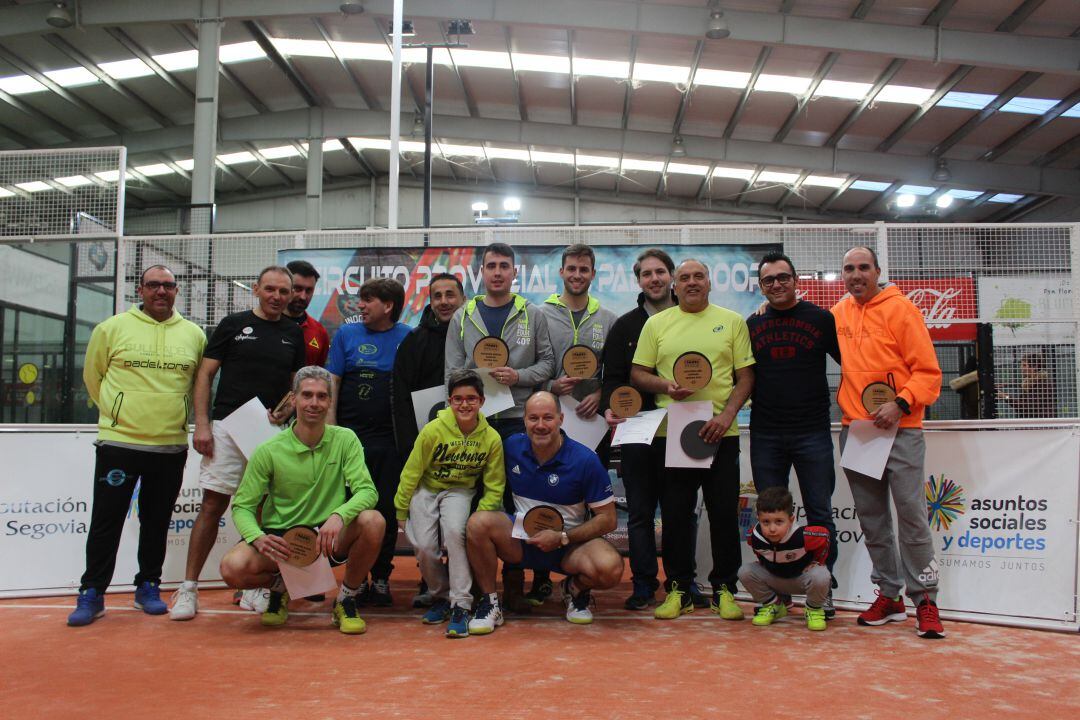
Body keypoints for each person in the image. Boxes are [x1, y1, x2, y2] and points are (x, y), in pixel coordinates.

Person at [68, 266, 206, 627]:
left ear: (177, 291)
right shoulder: (111, 329)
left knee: (157, 521)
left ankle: (148, 585)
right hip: (120, 444)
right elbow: (92, 377)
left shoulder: (194, 335)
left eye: (168, 285)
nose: (161, 291)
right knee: (106, 521)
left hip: (169, 446)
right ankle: (92, 592)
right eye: (153, 285)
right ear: (140, 289)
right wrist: (119, 415)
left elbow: (198, 384)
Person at [171, 266, 305, 621]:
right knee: (213, 505)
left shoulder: (294, 333)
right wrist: (202, 425)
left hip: (269, 434)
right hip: (227, 428)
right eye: (270, 289)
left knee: (264, 511)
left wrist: (284, 413)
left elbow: (295, 388)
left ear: (291, 295)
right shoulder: (232, 325)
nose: (277, 297)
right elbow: (205, 375)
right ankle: (188, 589)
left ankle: (254, 587)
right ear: (257, 290)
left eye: (283, 292)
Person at [631, 258, 755, 621]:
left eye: (698, 276)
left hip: (721, 433)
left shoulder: (732, 322)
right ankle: (679, 589)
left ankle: (724, 589)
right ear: (675, 285)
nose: (691, 282)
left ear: (709, 282)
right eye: (684, 278)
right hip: (675, 433)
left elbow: (745, 377)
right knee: (675, 515)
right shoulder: (656, 324)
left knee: (723, 516)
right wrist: (665, 386)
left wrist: (726, 416)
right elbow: (639, 374)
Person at [219, 367, 385, 634]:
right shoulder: (268, 450)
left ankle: (346, 600)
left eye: (321, 396)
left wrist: (339, 515)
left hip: (328, 539)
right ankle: (279, 587)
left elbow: (368, 492)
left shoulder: (346, 439)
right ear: (293, 399)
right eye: (307, 395)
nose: (314, 403)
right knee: (232, 568)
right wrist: (257, 537)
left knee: (373, 521)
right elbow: (242, 506)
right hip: (283, 544)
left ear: (330, 401)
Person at [833, 246, 945, 639]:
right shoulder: (839, 314)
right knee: (873, 520)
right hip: (858, 431)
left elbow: (929, 373)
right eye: (849, 269)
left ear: (878, 271)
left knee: (912, 515)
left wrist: (900, 404)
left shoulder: (903, 310)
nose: (856, 274)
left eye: (863, 267)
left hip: (902, 429)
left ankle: (926, 601)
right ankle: (891, 595)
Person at [444, 242, 555, 612]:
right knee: (474, 502)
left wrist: (517, 375)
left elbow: (548, 367)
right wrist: (475, 384)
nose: (496, 272)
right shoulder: (464, 314)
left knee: (513, 500)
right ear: (482, 272)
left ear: (514, 272)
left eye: (503, 266)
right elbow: (451, 372)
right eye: (490, 265)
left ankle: (516, 581)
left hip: (516, 421)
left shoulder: (533, 314)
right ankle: (478, 585)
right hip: (473, 425)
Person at [464, 392, 623, 634]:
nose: (540, 425)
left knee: (610, 567)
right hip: (520, 541)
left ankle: (574, 589)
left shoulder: (586, 460)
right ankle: (490, 603)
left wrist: (562, 537)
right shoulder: (510, 447)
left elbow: (608, 519)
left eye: (547, 418)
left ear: (561, 419)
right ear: (524, 421)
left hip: (568, 546)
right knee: (477, 523)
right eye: (533, 418)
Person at [746, 250, 841, 618]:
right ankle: (776, 595)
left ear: (796, 280)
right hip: (766, 433)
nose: (776, 284)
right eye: (769, 280)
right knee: (770, 515)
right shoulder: (751, 324)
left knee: (820, 514)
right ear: (761, 286)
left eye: (783, 277)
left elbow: (852, 364)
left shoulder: (821, 319)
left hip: (812, 431)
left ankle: (824, 590)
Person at [600, 248, 687, 610]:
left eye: (660, 272)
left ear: (671, 277)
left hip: (682, 429)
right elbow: (614, 378)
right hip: (638, 430)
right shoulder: (625, 326)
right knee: (639, 512)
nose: (654, 279)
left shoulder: (690, 320)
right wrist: (610, 406)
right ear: (639, 281)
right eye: (646, 274)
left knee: (679, 511)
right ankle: (643, 584)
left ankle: (681, 584)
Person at [532, 243, 617, 607]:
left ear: (593, 274)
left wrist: (601, 393)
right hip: (547, 421)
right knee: (539, 494)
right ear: (562, 272)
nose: (577, 275)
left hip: (590, 425)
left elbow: (615, 372)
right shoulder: (539, 314)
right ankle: (537, 576)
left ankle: (578, 583)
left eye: (584, 269)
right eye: (572, 268)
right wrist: (549, 387)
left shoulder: (608, 319)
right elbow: (531, 366)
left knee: (583, 499)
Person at [393, 370, 505, 638]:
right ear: (449, 402)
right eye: (458, 399)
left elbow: (494, 484)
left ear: (481, 401)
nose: (464, 404)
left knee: (456, 534)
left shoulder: (491, 438)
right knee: (423, 546)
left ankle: (461, 605)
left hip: (459, 491)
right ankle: (441, 596)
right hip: (427, 489)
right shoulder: (433, 430)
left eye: (471, 399)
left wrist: (482, 514)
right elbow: (411, 471)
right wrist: (401, 507)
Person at [327, 277, 412, 607]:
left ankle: (380, 578)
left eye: (368, 300)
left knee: (387, 511)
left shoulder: (407, 337)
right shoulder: (346, 334)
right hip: (351, 442)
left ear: (388, 306)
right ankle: (355, 579)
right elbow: (333, 380)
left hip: (390, 443)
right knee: (353, 511)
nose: (360, 305)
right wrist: (332, 429)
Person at [391, 271, 467, 608]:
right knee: (428, 530)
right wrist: (412, 447)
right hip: (426, 451)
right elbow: (401, 398)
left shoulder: (474, 337)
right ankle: (432, 585)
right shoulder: (414, 342)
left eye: (451, 294)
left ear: (463, 298)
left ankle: (469, 585)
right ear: (430, 301)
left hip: (468, 453)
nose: (445, 301)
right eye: (438, 296)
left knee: (460, 527)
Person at [738, 486, 832, 632]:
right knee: (745, 571)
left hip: (802, 580)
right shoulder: (753, 537)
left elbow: (825, 536)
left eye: (779, 521)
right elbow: (759, 552)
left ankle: (813, 610)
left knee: (821, 575)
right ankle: (773, 606)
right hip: (776, 580)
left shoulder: (804, 536)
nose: (772, 529)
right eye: (766, 522)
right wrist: (763, 562)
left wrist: (818, 561)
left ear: (791, 519)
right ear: (758, 519)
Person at [285, 260, 330, 367]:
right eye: (297, 288)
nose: (303, 297)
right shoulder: (267, 324)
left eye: (309, 290)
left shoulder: (320, 332)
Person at [998, 352, 1055, 419]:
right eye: (1021, 365)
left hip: (1039, 425)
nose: (1021, 368)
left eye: (1024, 365)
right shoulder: (1028, 383)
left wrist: (1006, 397)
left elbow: (1027, 407)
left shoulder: (1042, 384)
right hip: (1030, 424)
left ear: (1034, 367)